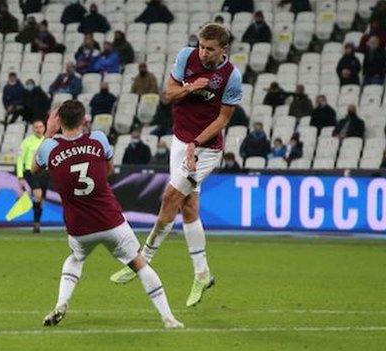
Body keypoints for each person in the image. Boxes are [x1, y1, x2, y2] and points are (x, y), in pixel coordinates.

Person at [109, 24, 243, 309]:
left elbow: (222, 120)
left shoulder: (231, 76)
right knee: (188, 207)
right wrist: (189, 88)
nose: (203, 53)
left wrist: (196, 143)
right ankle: (202, 274)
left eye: (209, 49)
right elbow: (167, 95)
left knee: (169, 198)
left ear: (223, 50)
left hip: (205, 150)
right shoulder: (186, 57)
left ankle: (141, 260)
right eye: (201, 46)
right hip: (181, 142)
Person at [34, 100, 182, 328]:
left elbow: (34, 169)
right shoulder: (98, 139)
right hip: (110, 220)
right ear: (84, 120)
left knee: (75, 258)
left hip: (79, 227)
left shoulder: (49, 148)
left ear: (59, 121)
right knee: (140, 264)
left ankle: (62, 302)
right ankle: (168, 317)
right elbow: (109, 170)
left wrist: (49, 133)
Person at [17, 120, 48, 233]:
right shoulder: (27, 142)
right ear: (33, 129)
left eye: (40, 126)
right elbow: (20, 159)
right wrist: (20, 176)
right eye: (36, 127)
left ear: (44, 128)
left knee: (41, 200)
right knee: (38, 194)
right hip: (30, 172)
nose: (39, 129)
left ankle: (37, 224)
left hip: (44, 173)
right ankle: (36, 223)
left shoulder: (47, 141)